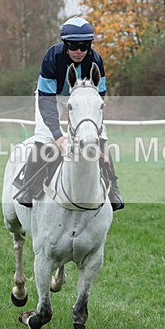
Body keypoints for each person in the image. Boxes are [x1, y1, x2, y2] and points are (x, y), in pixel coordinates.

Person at [13, 16, 124, 210]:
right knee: (44, 136)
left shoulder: (96, 60)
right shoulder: (52, 57)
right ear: (65, 44)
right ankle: (27, 187)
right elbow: (46, 102)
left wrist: (95, 135)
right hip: (52, 97)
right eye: (73, 46)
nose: (79, 51)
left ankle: (113, 188)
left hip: (83, 98)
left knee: (101, 138)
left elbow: (99, 98)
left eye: (84, 46)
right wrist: (58, 136)